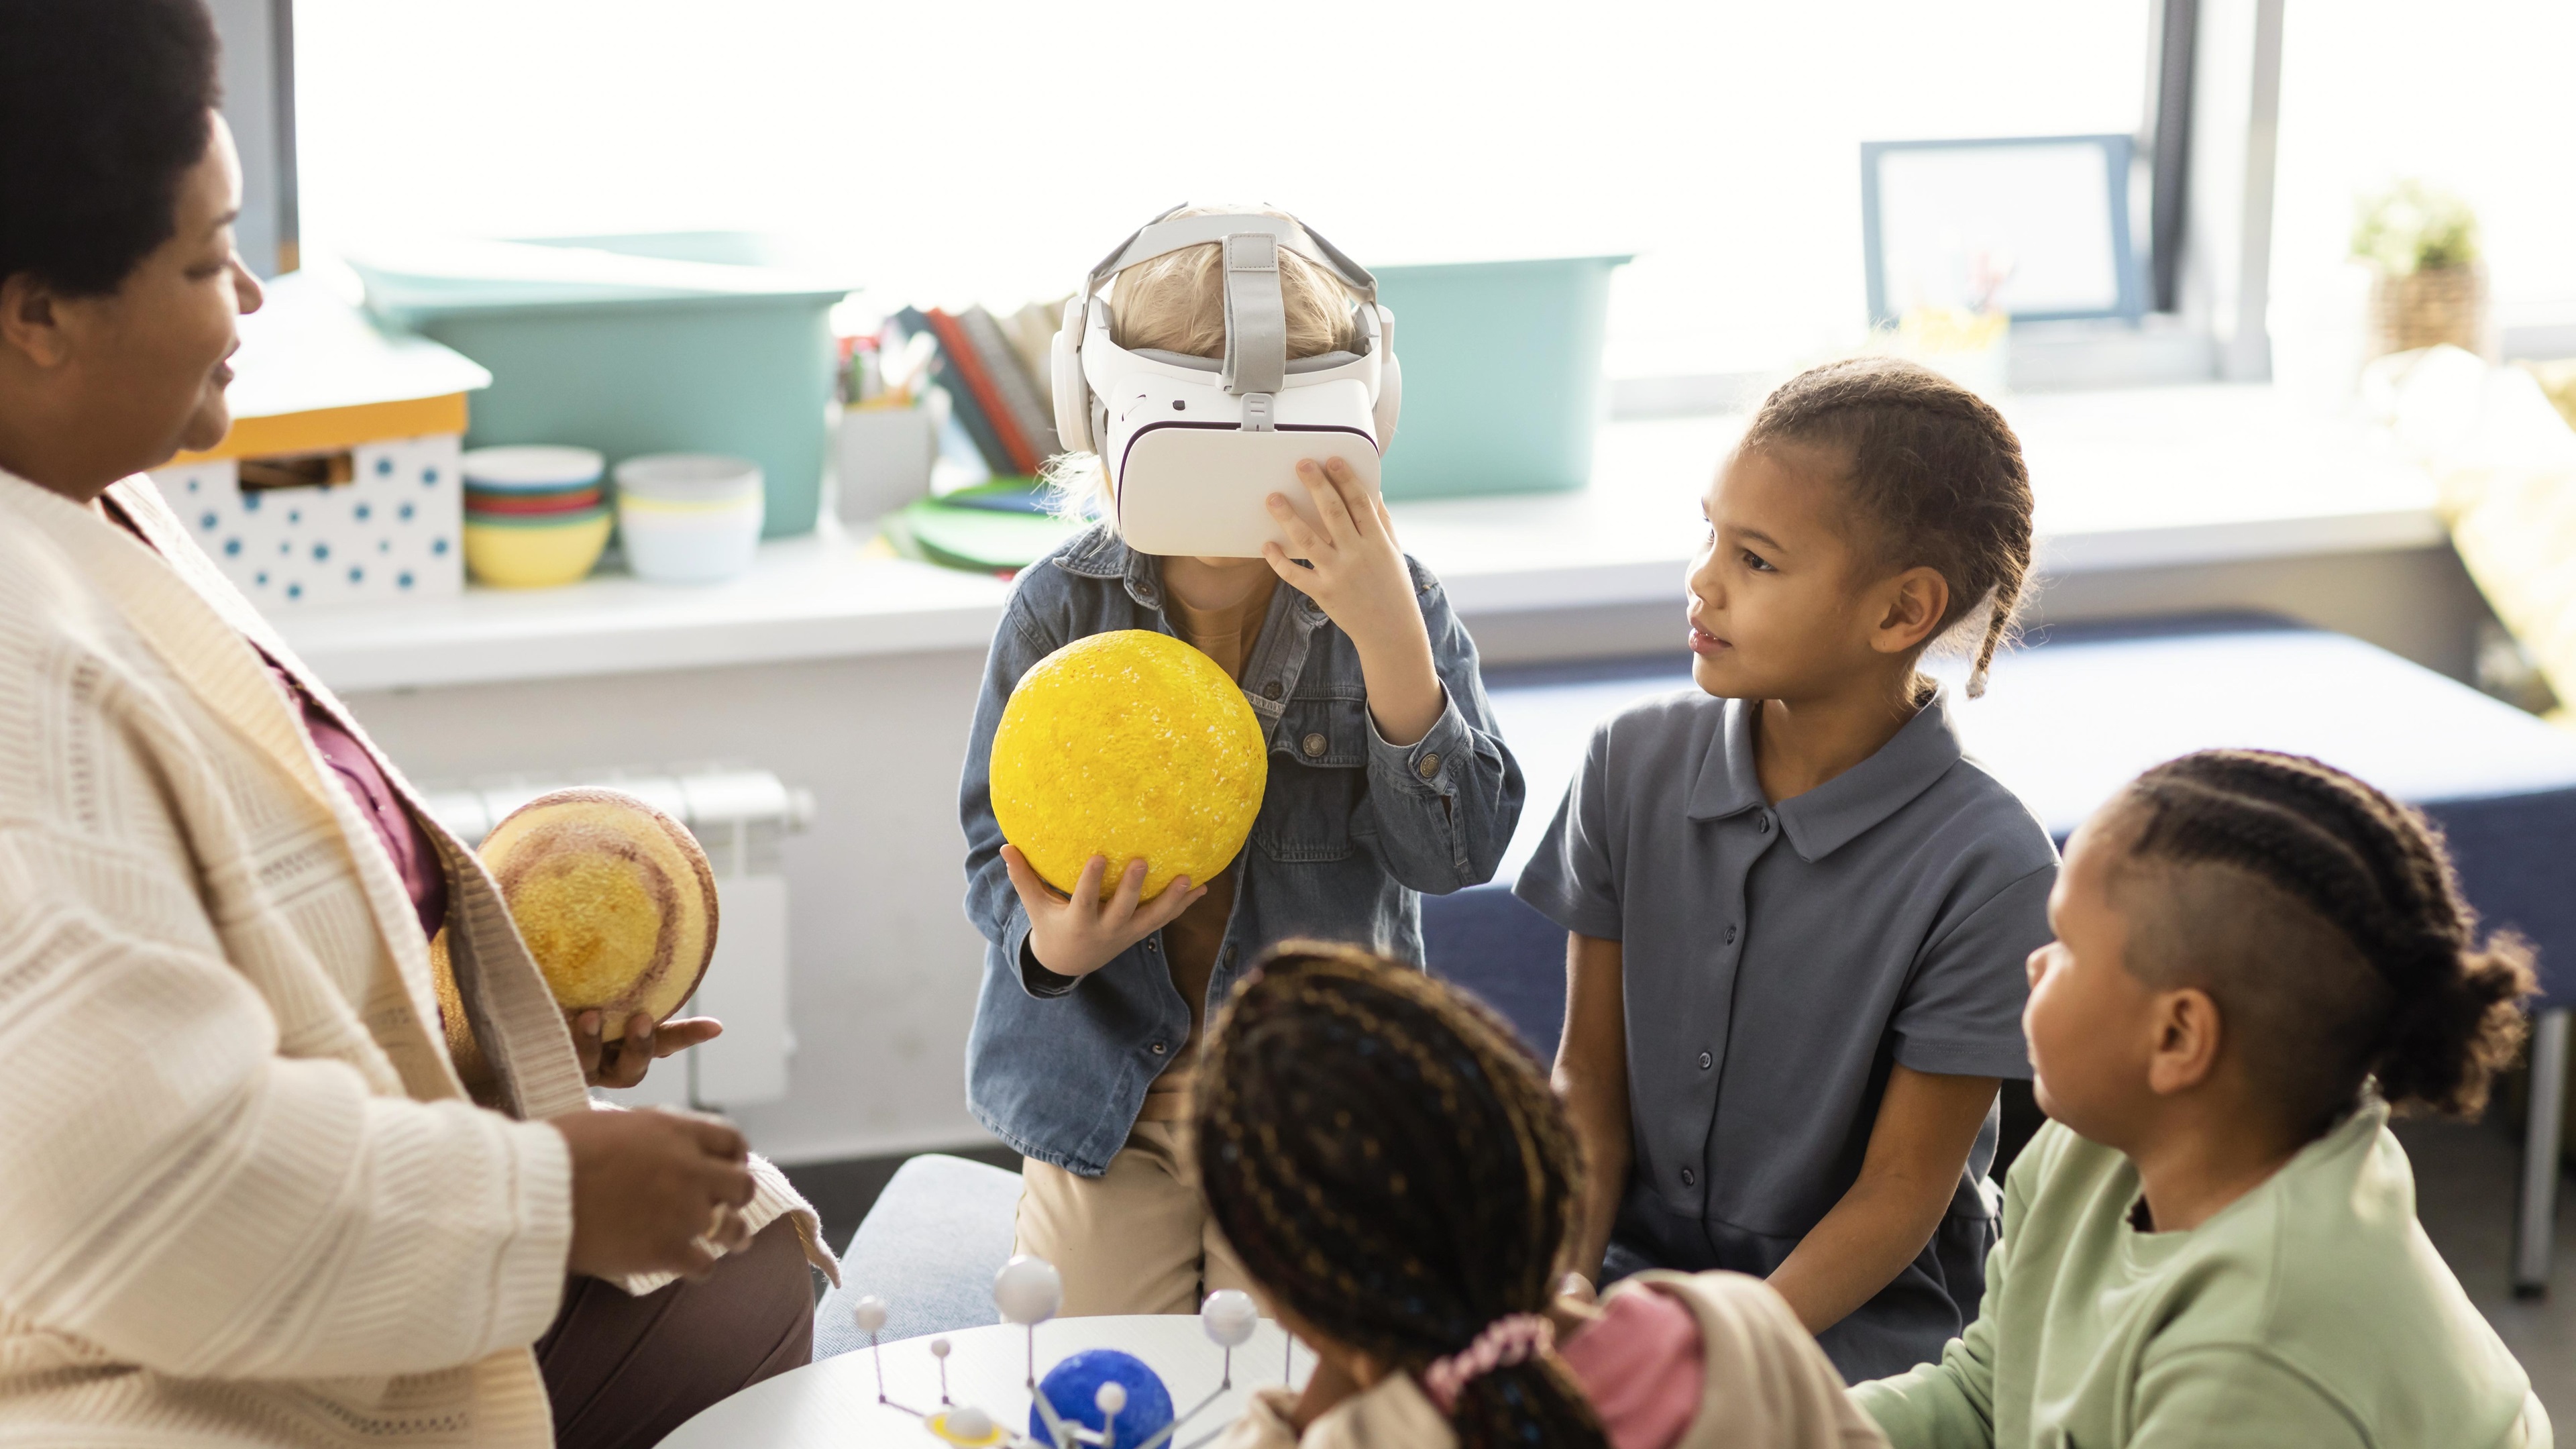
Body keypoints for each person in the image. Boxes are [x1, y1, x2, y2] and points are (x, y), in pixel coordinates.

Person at [0, 3, 831, 1444]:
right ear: (37, 314)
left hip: (329, 1273)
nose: (249, 297)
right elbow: (146, 1190)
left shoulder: (99, 504)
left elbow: (224, 944)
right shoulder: (23, 671)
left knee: (747, 1248)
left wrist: (489, 1032)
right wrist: (552, 1194)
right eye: (206, 259)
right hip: (181, 1381)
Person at [959, 209, 1523, 1316]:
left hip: (1322, 1100)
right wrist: (1056, 942)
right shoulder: (1056, 605)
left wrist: (1390, 640)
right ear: (1099, 423)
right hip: (1113, 1102)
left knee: (1296, 1369)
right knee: (1100, 1379)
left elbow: (1456, 855)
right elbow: (995, 859)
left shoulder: (1400, 607)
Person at [1518, 356, 2057, 1380]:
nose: (1703, 579)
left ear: (1903, 613)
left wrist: (1717, 1351)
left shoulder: (1991, 868)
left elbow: (1901, 1192)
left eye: (1756, 560)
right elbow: (1588, 1077)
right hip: (1634, 1283)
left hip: (1866, 1326)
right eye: (1710, 534)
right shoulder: (1627, 766)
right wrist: (1565, 1281)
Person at [1853, 750, 2550, 1448]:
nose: (2034, 962)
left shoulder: (2262, 1346)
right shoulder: (2096, 1143)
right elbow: (1988, 1397)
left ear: (2179, 1037)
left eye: (2065, 944)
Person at [1197, 943, 1886, 1449]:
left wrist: (1321, 1392)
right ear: (1532, 1142)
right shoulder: (1740, 1338)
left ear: (1290, 1299)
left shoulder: (1352, 1438)